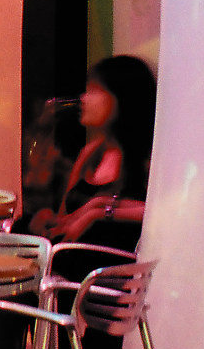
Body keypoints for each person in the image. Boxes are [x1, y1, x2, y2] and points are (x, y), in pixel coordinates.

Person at [34, 53, 154, 247]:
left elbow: (164, 213)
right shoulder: (90, 153)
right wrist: (46, 219)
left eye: (94, 90)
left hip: (111, 270)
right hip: (70, 264)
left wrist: (98, 212)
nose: (83, 98)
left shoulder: (148, 159)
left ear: (123, 97)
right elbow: (64, 220)